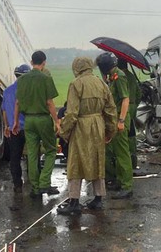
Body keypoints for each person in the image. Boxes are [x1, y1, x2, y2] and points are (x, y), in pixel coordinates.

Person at [57, 57, 117, 215]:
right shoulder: (101, 83)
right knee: (98, 160)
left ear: (76, 67)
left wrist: (64, 132)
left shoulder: (76, 84)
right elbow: (111, 109)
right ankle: (98, 198)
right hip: (98, 125)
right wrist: (110, 130)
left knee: (75, 163)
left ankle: (74, 201)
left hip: (81, 127)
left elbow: (72, 113)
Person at [13, 51, 61, 198]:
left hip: (28, 120)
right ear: (44, 62)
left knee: (32, 154)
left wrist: (15, 122)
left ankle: (35, 188)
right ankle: (44, 183)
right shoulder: (45, 78)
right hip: (43, 119)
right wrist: (57, 121)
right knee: (51, 150)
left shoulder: (21, 80)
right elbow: (49, 102)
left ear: (31, 61)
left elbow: (17, 103)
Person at [96, 52, 133, 199]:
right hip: (113, 118)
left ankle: (127, 186)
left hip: (119, 119)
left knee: (122, 153)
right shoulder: (112, 77)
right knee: (115, 152)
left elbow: (125, 99)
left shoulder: (120, 77)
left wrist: (121, 121)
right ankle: (119, 179)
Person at [2, 63, 31, 193]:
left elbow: (4, 111)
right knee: (33, 156)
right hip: (27, 128)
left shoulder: (7, 91)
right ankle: (34, 182)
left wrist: (6, 126)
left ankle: (17, 184)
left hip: (13, 130)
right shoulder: (28, 90)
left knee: (15, 157)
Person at [118, 58, 142, 169]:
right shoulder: (132, 76)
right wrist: (135, 104)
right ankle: (133, 159)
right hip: (133, 106)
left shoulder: (120, 77)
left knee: (125, 134)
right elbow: (139, 93)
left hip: (125, 106)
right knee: (132, 131)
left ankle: (128, 159)